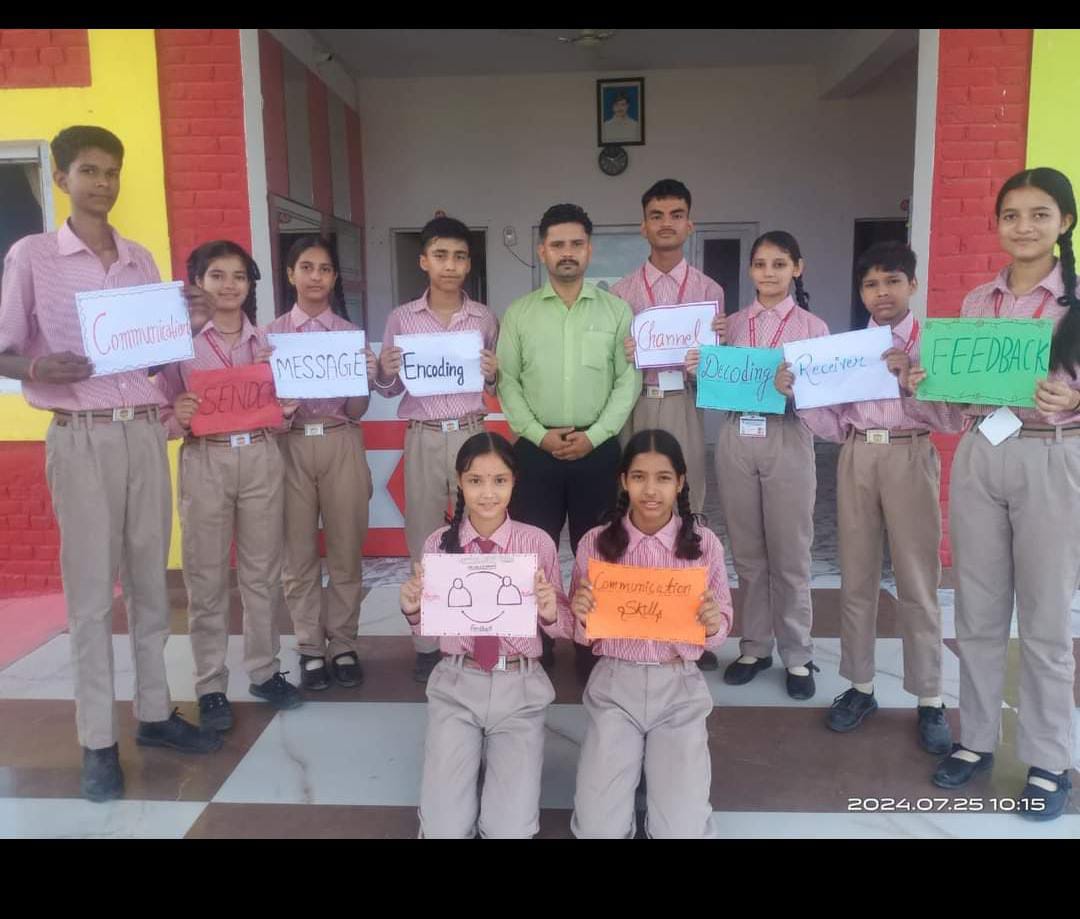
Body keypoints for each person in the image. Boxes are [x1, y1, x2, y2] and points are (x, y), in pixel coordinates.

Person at [0, 125, 222, 803]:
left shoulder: (138, 258)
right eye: (89, 171)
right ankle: (97, 740)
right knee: (93, 595)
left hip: (143, 433)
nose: (102, 183)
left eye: (112, 172)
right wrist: (35, 368)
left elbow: (150, 357)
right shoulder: (33, 256)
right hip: (82, 436)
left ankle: (154, 713)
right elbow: (3, 348)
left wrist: (188, 321)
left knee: (151, 584)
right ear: (60, 178)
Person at [904, 168, 1080, 820]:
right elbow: (956, 406)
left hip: (1052, 456)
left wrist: (1075, 398)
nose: (1023, 226)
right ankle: (976, 739)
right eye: (1011, 214)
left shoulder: (1077, 302)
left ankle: (1049, 759)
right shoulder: (980, 301)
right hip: (982, 452)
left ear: (1065, 222)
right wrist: (926, 381)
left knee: (1045, 620)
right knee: (976, 611)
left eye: (1039, 214)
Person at [775, 241, 958, 751]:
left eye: (892, 281)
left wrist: (910, 383)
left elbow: (952, 419)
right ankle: (860, 686)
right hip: (857, 454)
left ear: (912, 285)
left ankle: (930, 698)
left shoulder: (930, 346)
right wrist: (800, 392)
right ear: (861, 292)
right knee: (856, 577)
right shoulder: (849, 349)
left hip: (910, 453)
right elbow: (834, 424)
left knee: (918, 580)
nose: (882, 292)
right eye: (871, 284)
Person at [157, 240, 302, 732]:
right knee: (206, 577)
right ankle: (210, 684)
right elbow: (160, 411)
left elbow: (283, 412)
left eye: (239, 276)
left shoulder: (269, 344)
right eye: (216, 275)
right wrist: (176, 417)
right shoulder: (178, 345)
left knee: (263, 572)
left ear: (250, 284)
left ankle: (264, 670)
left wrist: (286, 409)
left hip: (261, 455)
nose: (229, 285)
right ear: (197, 283)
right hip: (206, 458)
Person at [398, 432, 571, 837]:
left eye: (499, 481)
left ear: (514, 482)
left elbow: (565, 622)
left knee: (509, 829)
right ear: (459, 481)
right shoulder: (439, 543)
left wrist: (549, 613)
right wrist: (413, 609)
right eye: (475, 480)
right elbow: (430, 628)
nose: (488, 493)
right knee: (443, 830)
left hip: (519, 686)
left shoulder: (537, 543)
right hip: (457, 682)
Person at [496, 203, 641, 672]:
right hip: (534, 453)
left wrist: (595, 435)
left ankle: (590, 643)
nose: (567, 252)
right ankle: (534, 641)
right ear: (542, 251)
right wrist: (538, 435)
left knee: (597, 551)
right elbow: (507, 383)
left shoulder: (617, 311)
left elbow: (627, 382)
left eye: (576, 244)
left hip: (597, 452)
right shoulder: (518, 314)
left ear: (589, 250)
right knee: (530, 551)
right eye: (557, 244)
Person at [568, 429, 732, 838]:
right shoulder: (595, 543)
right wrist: (581, 614)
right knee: (597, 830)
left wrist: (713, 622)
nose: (651, 490)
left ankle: (654, 773)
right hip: (614, 683)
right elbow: (581, 632)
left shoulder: (705, 544)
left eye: (663, 478)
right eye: (639, 477)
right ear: (623, 481)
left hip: (678, 686)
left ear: (680, 482)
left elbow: (721, 624)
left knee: (681, 831)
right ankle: (635, 770)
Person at [687, 231, 828, 700]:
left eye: (779, 264)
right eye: (761, 264)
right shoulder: (729, 326)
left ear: (797, 269)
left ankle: (798, 654)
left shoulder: (813, 328)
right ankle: (754, 647)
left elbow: (826, 395)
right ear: (750, 270)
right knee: (747, 552)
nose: (769, 273)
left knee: (791, 553)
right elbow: (715, 382)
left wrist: (796, 390)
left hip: (788, 435)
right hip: (736, 435)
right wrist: (699, 368)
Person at [371, 216, 499, 683]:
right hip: (423, 433)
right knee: (425, 540)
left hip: (471, 433)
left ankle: (480, 636)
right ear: (424, 261)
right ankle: (427, 644)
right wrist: (384, 371)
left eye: (460, 256)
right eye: (441, 255)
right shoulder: (401, 318)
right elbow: (388, 388)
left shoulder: (484, 318)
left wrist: (493, 374)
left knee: (481, 534)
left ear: (469, 263)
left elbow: (495, 382)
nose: (450, 265)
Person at [611, 178, 726, 669]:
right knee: (634, 501)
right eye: (656, 215)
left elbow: (719, 374)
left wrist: (714, 356)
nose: (666, 223)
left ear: (689, 224)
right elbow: (611, 366)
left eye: (676, 214)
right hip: (635, 402)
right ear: (643, 225)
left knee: (687, 504)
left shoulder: (709, 291)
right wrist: (623, 353)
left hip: (683, 401)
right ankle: (634, 620)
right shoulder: (621, 293)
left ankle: (688, 626)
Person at [265, 235, 375, 692]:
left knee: (346, 549)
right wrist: (277, 405)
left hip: (339, 439)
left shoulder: (349, 336)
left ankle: (343, 643)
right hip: (289, 444)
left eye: (324, 269)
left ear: (334, 277)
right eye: (306, 267)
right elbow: (261, 408)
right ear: (290, 274)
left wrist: (364, 378)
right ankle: (310, 646)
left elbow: (357, 411)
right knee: (297, 553)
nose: (315, 276)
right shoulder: (269, 338)